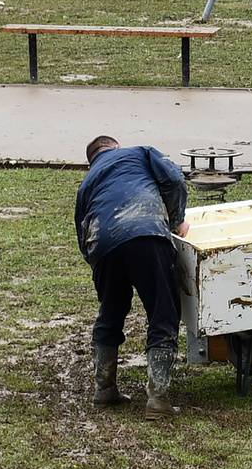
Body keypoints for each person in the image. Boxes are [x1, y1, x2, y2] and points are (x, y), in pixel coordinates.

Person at [75, 134, 190, 418]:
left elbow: (81, 232)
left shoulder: (87, 183)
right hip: (144, 233)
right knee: (163, 311)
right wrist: (176, 220)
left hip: (102, 244)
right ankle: (158, 400)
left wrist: (102, 267)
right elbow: (174, 179)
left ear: (93, 160)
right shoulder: (139, 152)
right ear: (115, 146)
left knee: (111, 311)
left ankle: (104, 388)